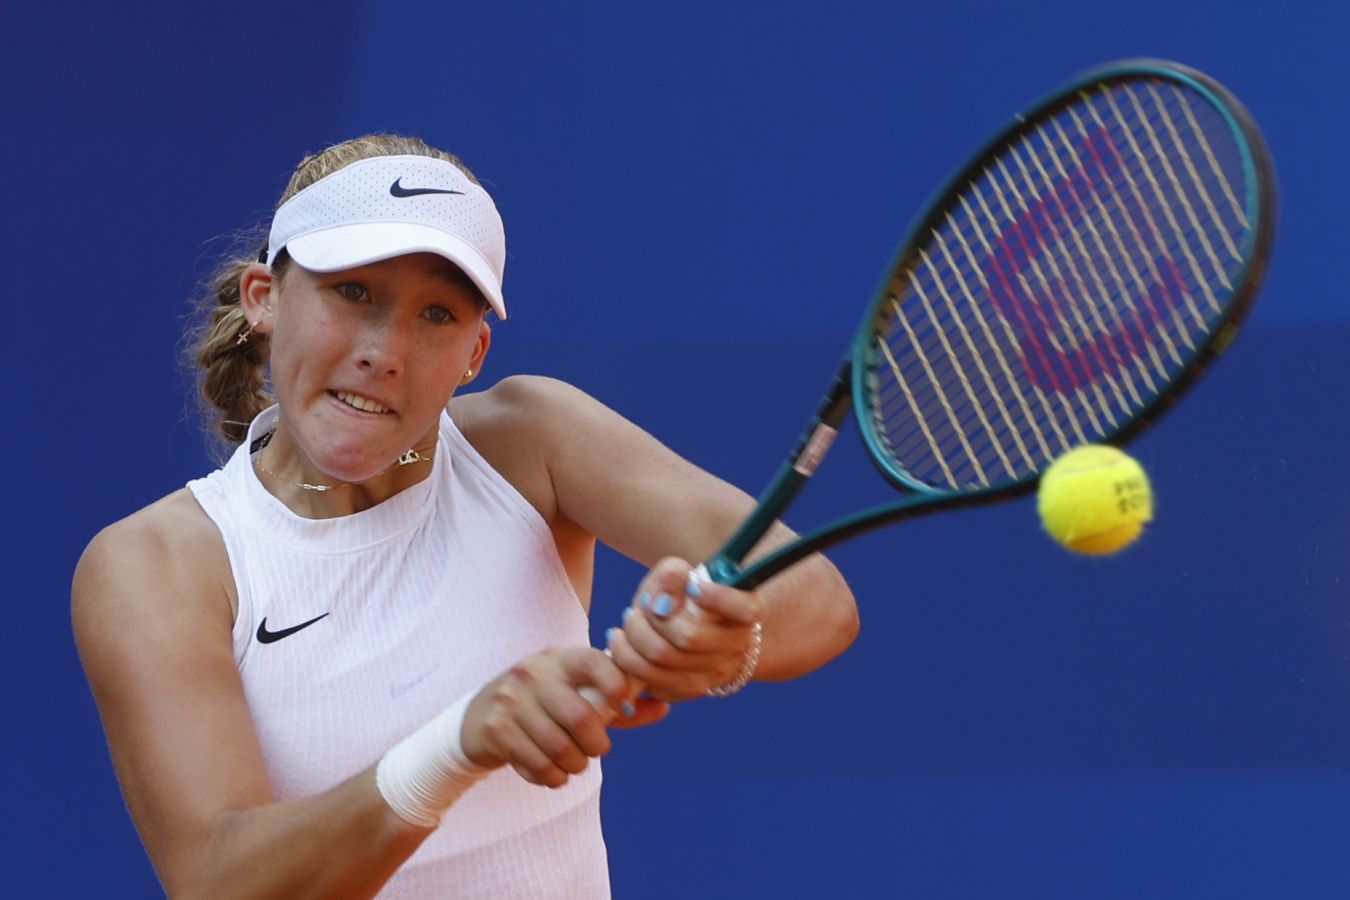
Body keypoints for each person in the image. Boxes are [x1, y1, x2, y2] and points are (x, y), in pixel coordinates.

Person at [71, 134, 858, 899]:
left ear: (475, 354)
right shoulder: (159, 564)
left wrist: (721, 642)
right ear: (264, 299)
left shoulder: (532, 442)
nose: (386, 351)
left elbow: (817, 600)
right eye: (353, 293)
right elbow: (220, 881)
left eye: (437, 315)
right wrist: (454, 745)